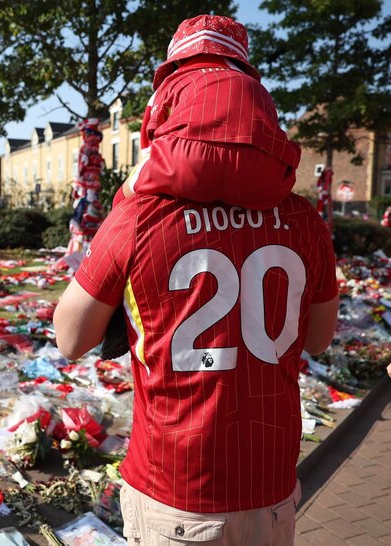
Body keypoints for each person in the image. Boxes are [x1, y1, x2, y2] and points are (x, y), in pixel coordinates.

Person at [53, 14, 339, 546]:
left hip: (173, 486)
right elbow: (318, 338)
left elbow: (70, 339)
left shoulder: (140, 214)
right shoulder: (304, 220)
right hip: (269, 486)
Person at [120, 15, 300, 211]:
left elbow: (149, 145)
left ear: (177, 60)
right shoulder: (257, 88)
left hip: (186, 162)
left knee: (123, 199)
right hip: (263, 174)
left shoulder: (170, 83)